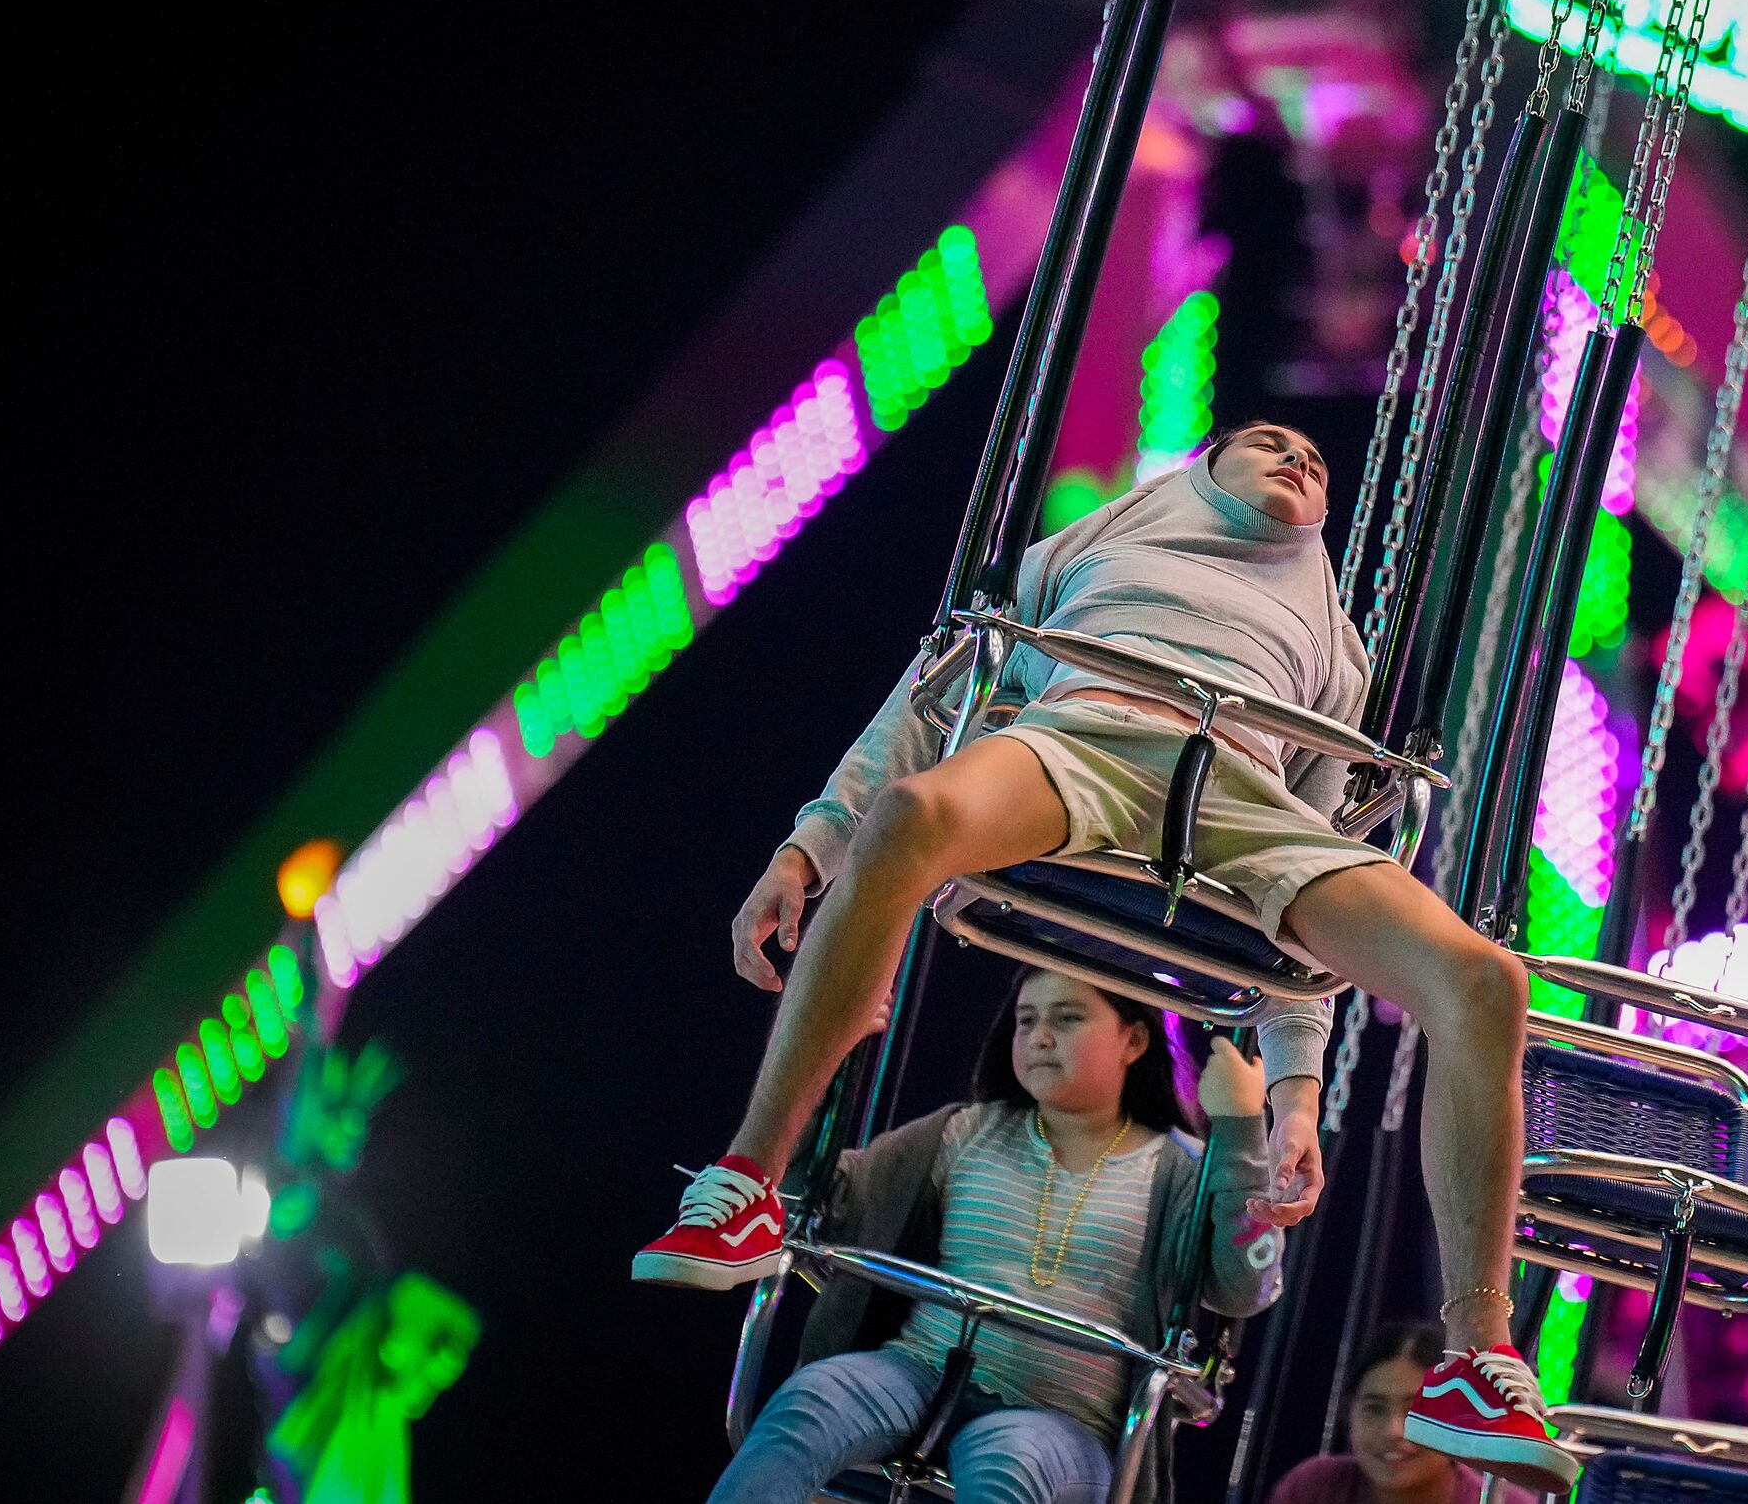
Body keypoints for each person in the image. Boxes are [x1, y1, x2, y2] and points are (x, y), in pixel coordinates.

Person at [638, 424, 1576, 1494]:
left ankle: (1477, 1354)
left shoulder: (1335, 642)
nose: (1298, 461)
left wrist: (1296, 1096)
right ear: (1201, 467)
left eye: (1317, 463)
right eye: (1269, 444)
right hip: (1078, 742)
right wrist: (808, 845)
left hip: (1240, 798)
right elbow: (925, 701)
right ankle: (748, 1179)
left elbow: (1319, 851)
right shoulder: (1085, 547)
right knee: (909, 816)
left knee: (1486, 979)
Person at [708, 967, 1276, 1502]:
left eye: (1067, 1018)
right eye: (1027, 1020)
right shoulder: (964, 1132)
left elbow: (1244, 1286)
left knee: (1010, 1463)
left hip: (1064, 1420)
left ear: (1134, 1040)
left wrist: (1241, 1128)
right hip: (919, 1370)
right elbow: (821, 1200)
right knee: (812, 1401)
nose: (1040, 1037)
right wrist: (827, 1058)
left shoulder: (1181, 1172)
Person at [1266, 1320, 1543, 1504]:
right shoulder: (1313, 1489)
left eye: (1416, 1411)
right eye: (1374, 1408)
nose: (1394, 1430)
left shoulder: (1500, 1501)